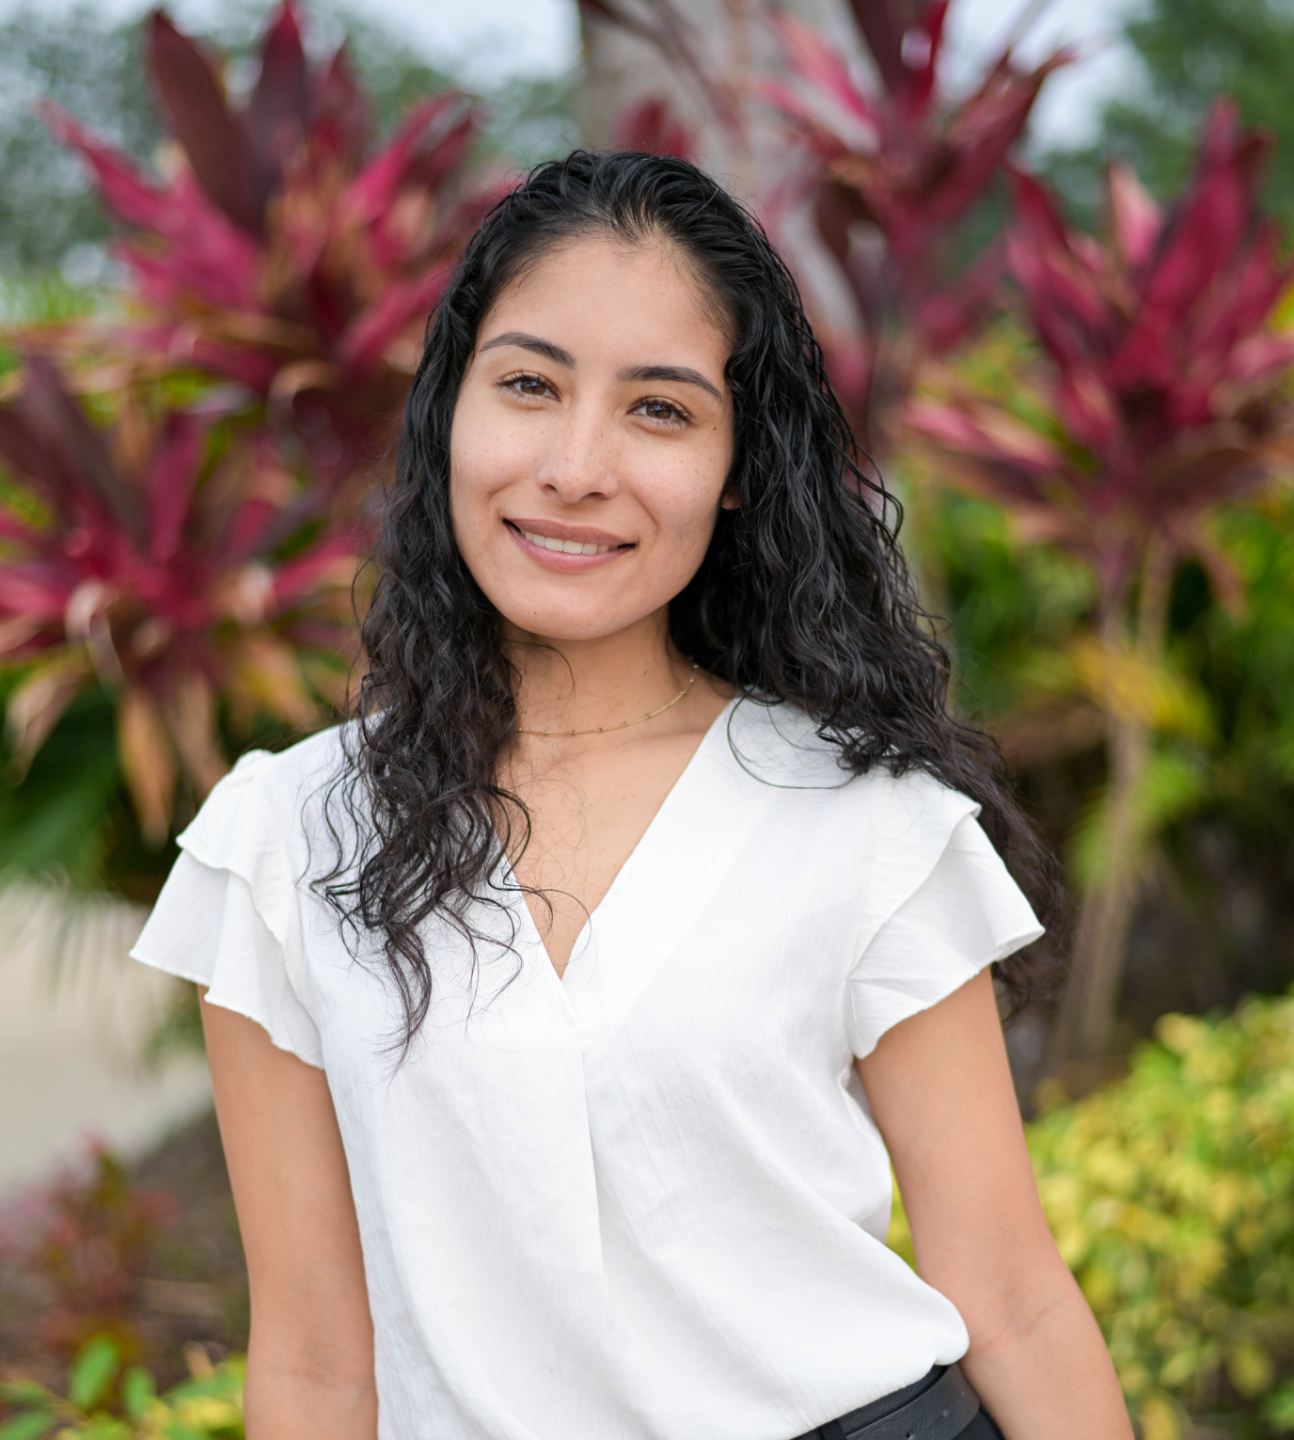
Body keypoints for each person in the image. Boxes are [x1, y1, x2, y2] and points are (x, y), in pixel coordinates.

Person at [132, 150, 1134, 1440]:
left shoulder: (863, 816)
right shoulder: (286, 839)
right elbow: (318, 1365)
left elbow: (1009, 1295)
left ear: (737, 466)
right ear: (450, 411)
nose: (575, 466)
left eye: (659, 409)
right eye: (529, 385)